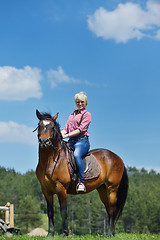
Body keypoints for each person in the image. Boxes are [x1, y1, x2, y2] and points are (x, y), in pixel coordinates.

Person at [61, 92, 91, 193]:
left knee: (77, 155)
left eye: (82, 102)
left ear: (86, 103)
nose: (80, 104)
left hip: (82, 141)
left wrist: (67, 135)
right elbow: (66, 128)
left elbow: (80, 130)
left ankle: (81, 183)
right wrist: (60, 134)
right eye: (78, 102)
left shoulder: (87, 115)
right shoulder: (72, 115)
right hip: (71, 141)